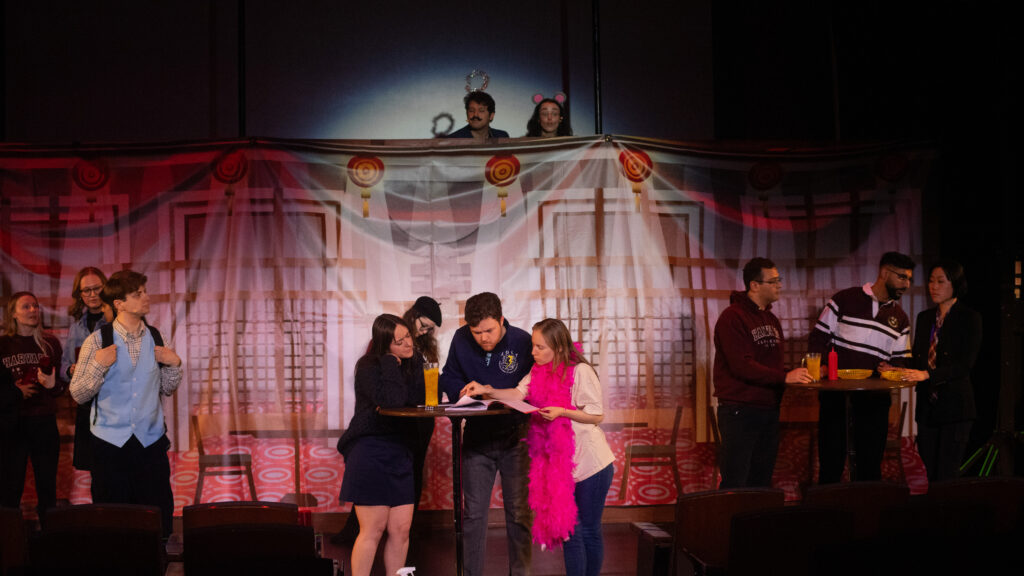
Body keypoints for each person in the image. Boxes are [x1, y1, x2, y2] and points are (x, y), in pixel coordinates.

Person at [463, 318, 615, 576]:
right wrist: (486, 390)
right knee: (570, 531)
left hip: (591, 465)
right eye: (533, 346)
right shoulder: (537, 371)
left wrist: (563, 412)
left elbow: (596, 415)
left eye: (539, 347)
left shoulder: (580, 372)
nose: (533, 352)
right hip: (564, 465)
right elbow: (517, 394)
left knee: (586, 528)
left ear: (558, 346)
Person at [69, 270, 182, 536]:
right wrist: (98, 365)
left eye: (144, 291)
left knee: (157, 517)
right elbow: (79, 394)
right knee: (114, 521)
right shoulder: (96, 340)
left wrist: (175, 364)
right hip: (109, 445)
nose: (146, 297)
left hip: (150, 443)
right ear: (119, 303)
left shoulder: (157, 336)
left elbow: (166, 388)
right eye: (138, 294)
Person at [333, 296, 443, 545]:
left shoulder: (418, 352)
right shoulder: (376, 357)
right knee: (372, 497)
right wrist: (393, 364)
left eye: (429, 329)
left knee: (412, 477)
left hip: (415, 423)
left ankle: (404, 530)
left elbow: (422, 391)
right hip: (380, 431)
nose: (423, 332)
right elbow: (390, 398)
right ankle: (364, 531)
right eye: (423, 325)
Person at [441, 292, 534, 576]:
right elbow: (449, 375)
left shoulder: (521, 341)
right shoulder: (460, 339)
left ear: (502, 320)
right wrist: (463, 389)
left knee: (519, 514)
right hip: (477, 439)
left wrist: (492, 389)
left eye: (489, 330)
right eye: (476, 332)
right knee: (473, 515)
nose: (483, 338)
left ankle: (521, 573)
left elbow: (533, 385)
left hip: (516, 437)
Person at [808, 251, 915, 483]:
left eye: (909, 279)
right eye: (902, 277)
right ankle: (827, 514)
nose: (906, 284)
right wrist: (824, 366)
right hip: (836, 395)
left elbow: (902, 360)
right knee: (831, 463)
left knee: (869, 466)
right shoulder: (845, 299)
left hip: (874, 400)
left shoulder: (901, 317)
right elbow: (818, 338)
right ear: (884, 273)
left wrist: (892, 368)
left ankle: (866, 514)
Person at [713, 258, 812, 488]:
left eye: (779, 280)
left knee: (761, 478)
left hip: (768, 408)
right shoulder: (732, 317)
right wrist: (784, 377)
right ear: (754, 285)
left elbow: (772, 367)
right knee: (737, 479)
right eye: (773, 281)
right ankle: (727, 524)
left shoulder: (771, 319)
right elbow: (741, 365)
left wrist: (792, 376)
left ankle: (754, 524)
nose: (779, 285)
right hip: (740, 409)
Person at [336, 314, 422, 576]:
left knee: (401, 530)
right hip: (370, 450)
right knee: (372, 530)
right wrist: (388, 362)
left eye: (408, 336)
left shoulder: (414, 363)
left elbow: (419, 400)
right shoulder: (368, 366)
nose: (408, 343)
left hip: (401, 450)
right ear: (385, 345)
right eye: (399, 341)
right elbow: (394, 402)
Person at [900, 261, 982, 481]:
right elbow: (919, 359)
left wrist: (928, 375)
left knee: (947, 475)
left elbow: (965, 365)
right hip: (928, 409)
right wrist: (896, 366)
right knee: (930, 473)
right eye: (930, 281)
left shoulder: (969, 318)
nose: (933, 287)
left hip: (956, 408)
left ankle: (947, 515)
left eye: (940, 281)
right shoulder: (925, 318)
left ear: (955, 284)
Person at [0, 292, 64, 521]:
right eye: (26, 307)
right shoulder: (3, 344)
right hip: (12, 423)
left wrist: (53, 384)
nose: (32, 310)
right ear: (13, 314)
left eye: (35, 306)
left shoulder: (50, 344)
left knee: (46, 484)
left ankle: (49, 538)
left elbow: (59, 388)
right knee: (10, 486)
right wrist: (16, 392)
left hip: (43, 421)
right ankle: (10, 542)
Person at [62, 266, 109, 472]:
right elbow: (64, 363)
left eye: (96, 288)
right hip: (87, 405)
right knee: (95, 471)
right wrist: (71, 370)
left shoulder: (115, 321)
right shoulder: (76, 326)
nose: (92, 295)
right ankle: (99, 506)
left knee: (115, 469)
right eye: (86, 290)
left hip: (112, 404)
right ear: (79, 294)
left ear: (105, 288)